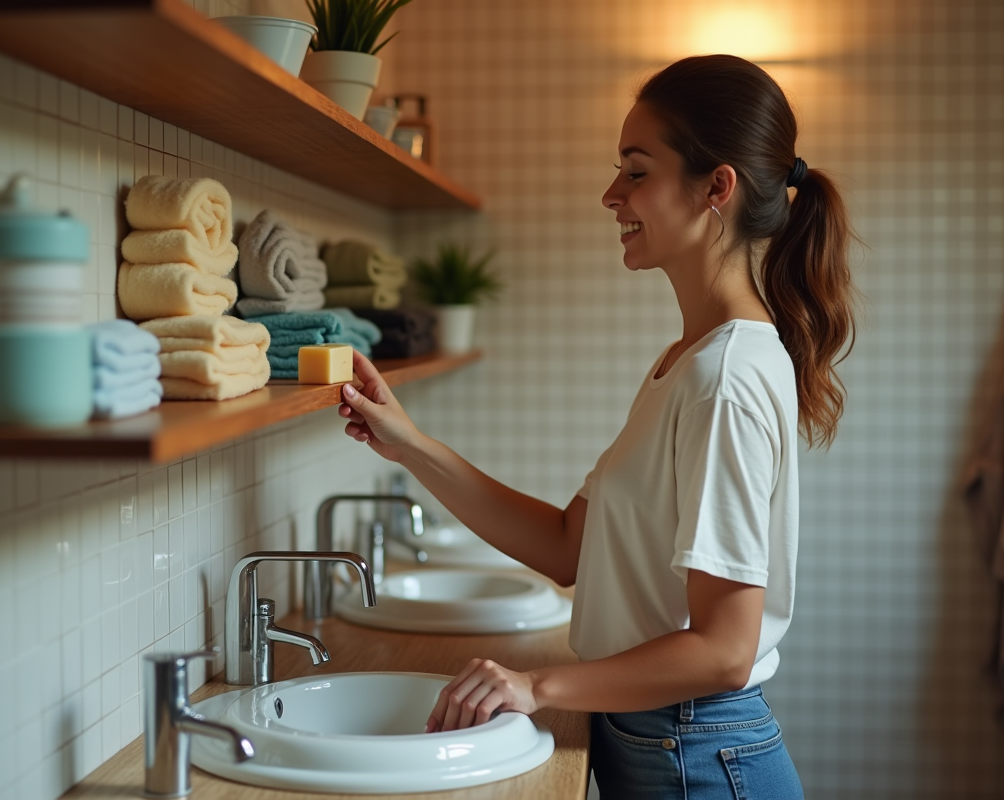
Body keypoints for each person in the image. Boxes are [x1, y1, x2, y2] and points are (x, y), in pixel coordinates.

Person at [336, 54, 855, 800]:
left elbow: (724, 650)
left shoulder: (724, 377)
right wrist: (409, 444)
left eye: (637, 172)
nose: (611, 194)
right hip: (662, 744)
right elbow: (566, 546)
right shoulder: (687, 362)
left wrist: (537, 684)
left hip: (696, 757)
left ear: (717, 187)